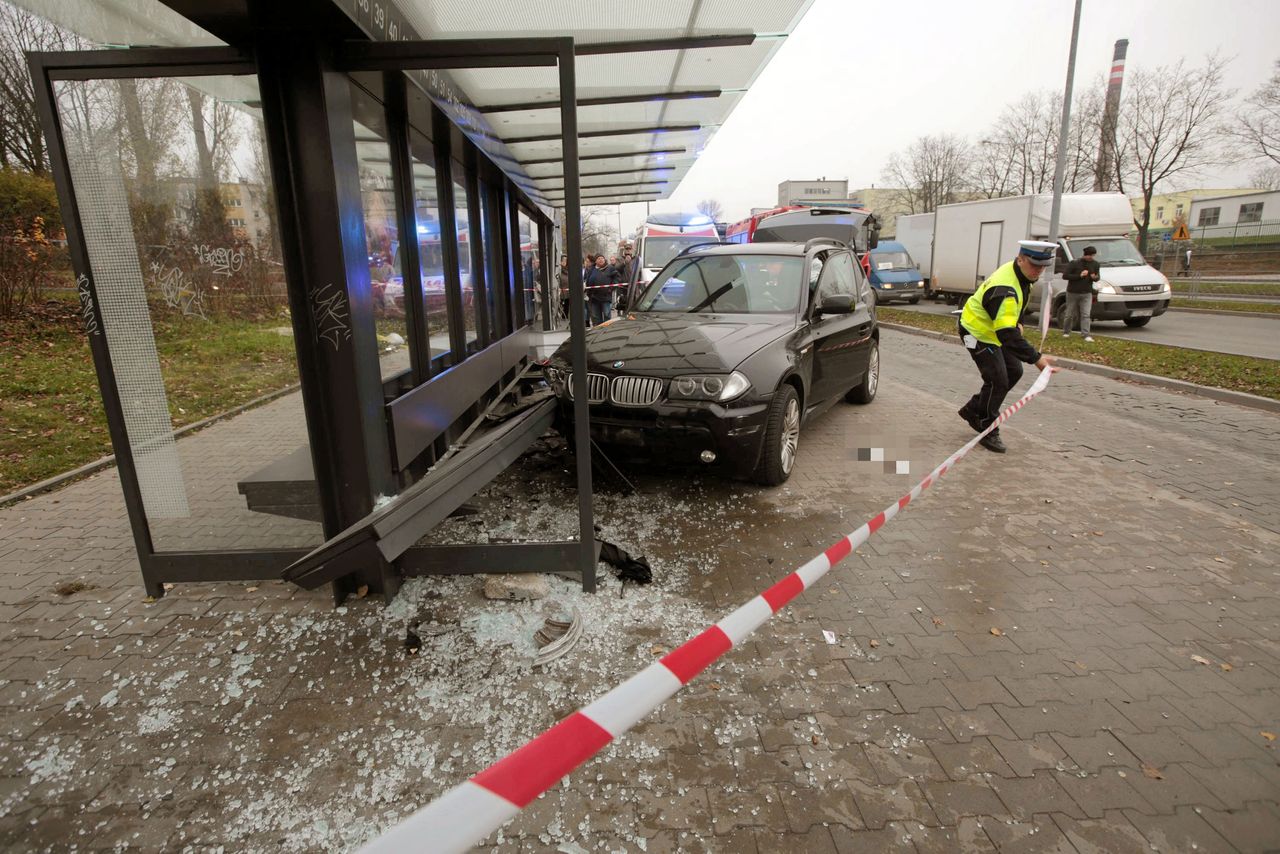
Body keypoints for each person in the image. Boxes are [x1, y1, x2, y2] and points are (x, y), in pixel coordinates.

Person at [956, 240, 1057, 453]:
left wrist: (1018, 321)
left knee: (1014, 371)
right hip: (976, 332)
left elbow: (1015, 312)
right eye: (1034, 265)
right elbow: (1007, 335)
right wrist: (1037, 359)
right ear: (1020, 259)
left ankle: (974, 409)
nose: (1039, 270)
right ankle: (986, 426)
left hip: (994, 333)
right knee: (997, 380)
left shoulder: (1020, 274)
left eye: (1043, 266)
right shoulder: (1005, 287)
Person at [1061, 245, 1099, 342]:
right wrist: (1079, 275)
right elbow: (1065, 276)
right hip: (1073, 292)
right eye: (1089, 255)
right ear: (1085, 254)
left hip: (1087, 292)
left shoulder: (1095, 264)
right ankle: (1066, 332)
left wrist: (1095, 277)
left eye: (1093, 255)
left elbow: (1097, 276)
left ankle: (1086, 334)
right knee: (1069, 313)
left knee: (1086, 314)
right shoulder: (1074, 263)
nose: (1091, 257)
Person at [586, 254, 616, 326]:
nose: (601, 260)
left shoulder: (610, 268)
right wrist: (588, 292)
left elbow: (616, 279)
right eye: (599, 258)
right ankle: (597, 333)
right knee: (596, 318)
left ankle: (606, 332)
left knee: (607, 316)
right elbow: (588, 281)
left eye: (602, 258)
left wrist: (610, 289)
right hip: (594, 298)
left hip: (605, 297)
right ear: (595, 261)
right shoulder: (591, 269)